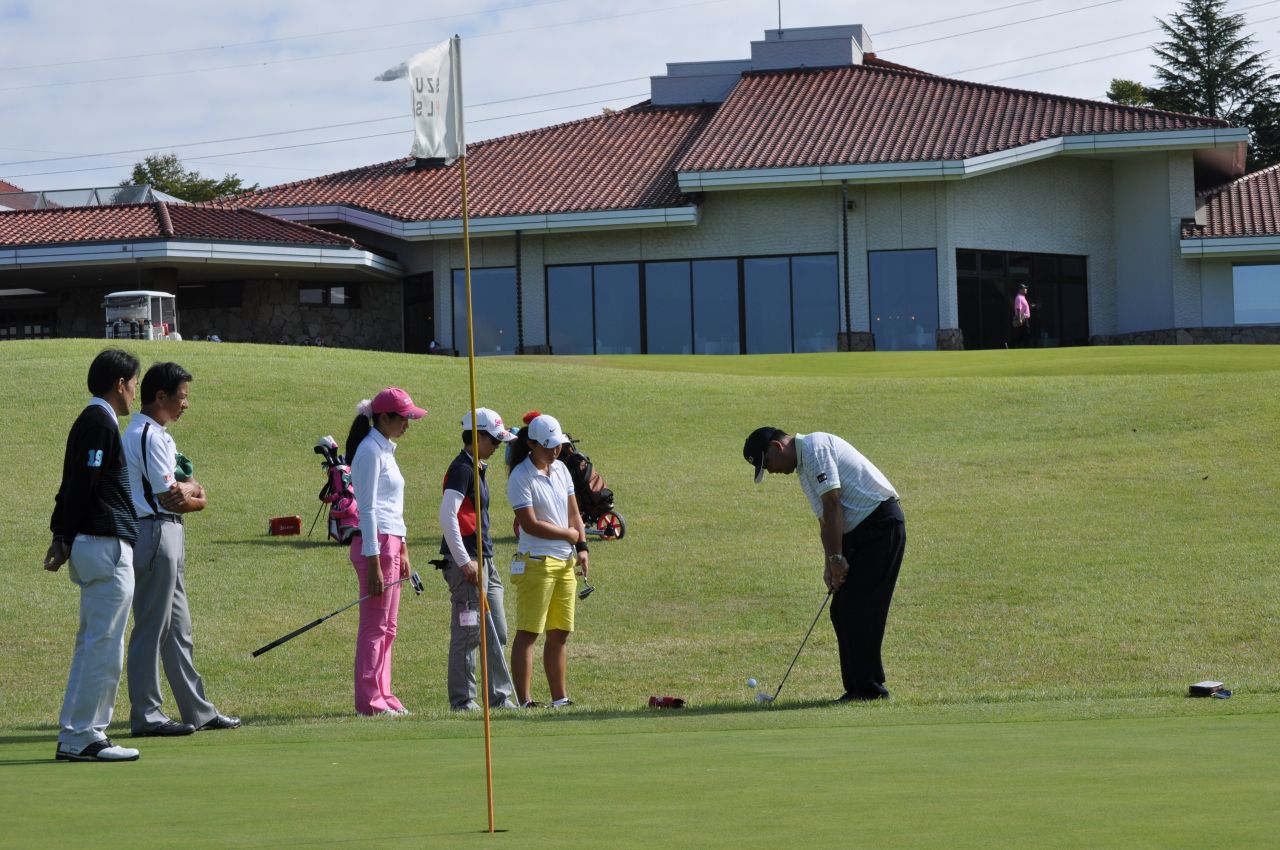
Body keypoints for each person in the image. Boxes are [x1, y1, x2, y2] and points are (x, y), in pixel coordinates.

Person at [743, 427, 906, 703]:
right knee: (841, 610)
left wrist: (837, 558)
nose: (770, 470)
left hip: (881, 527)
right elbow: (825, 521)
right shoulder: (804, 470)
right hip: (860, 534)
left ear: (777, 447)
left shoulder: (815, 448)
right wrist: (830, 564)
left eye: (766, 463)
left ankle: (870, 690)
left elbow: (833, 504)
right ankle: (857, 688)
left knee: (859, 608)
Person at [123, 362, 240, 737]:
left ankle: (198, 710)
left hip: (166, 532)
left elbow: (184, 487)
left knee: (178, 629)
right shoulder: (148, 435)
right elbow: (170, 495)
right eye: (182, 397)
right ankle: (147, 715)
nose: (186, 404)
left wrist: (191, 491)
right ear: (161, 396)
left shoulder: (158, 434)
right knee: (152, 628)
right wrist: (197, 496)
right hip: (155, 531)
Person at [45, 349, 142, 762]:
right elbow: (82, 484)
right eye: (134, 383)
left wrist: (61, 534)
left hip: (93, 544)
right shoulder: (101, 422)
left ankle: (75, 733)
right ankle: (86, 734)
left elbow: (71, 485)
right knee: (104, 645)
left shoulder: (91, 421)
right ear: (119, 384)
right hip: (104, 545)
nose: (135, 391)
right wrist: (64, 535)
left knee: (92, 643)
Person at [346, 387, 426, 716]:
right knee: (375, 626)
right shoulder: (369, 451)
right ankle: (369, 701)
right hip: (375, 545)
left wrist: (403, 547)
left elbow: (393, 506)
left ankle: (384, 692)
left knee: (389, 627)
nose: (407, 424)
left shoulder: (385, 449)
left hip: (391, 542)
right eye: (403, 418)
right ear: (383, 418)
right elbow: (367, 510)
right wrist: (374, 562)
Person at [506, 414, 589, 708]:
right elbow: (529, 524)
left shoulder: (562, 469)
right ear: (532, 444)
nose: (555, 451)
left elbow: (573, 513)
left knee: (560, 632)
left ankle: (559, 698)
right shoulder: (520, 476)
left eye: (558, 445)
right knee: (529, 632)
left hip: (565, 562)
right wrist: (568, 535)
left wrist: (581, 545)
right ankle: (525, 701)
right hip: (536, 561)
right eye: (548, 446)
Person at [438, 408, 519, 711]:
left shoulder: (478, 467)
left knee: (497, 630)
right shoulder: (462, 469)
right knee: (469, 632)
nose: (498, 446)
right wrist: (463, 561)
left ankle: (499, 697)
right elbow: (447, 516)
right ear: (477, 437)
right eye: (494, 440)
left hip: (485, 560)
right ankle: (463, 701)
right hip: (467, 564)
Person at [1011, 283, 1032, 348]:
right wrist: (1020, 319)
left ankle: (1016, 346)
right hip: (1022, 318)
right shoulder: (1019, 297)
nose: (1026, 289)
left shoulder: (1023, 297)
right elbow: (1018, 308)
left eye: (1026, 288)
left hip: (1025, 318)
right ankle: (1015, 346)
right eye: (1024, 288)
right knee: (1024, 334)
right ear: (1020, 290)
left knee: (1023, 334)